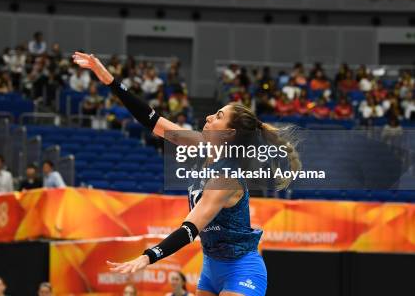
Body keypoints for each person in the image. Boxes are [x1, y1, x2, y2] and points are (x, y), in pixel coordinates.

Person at [73, 51, 301, 296]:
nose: (208, 117)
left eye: (218, 116)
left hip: (242, 269)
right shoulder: (201, 145)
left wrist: (149, 257)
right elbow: (152, 120)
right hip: (211, 266)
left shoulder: (226, 179)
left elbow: (190, 228)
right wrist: (109, 80)